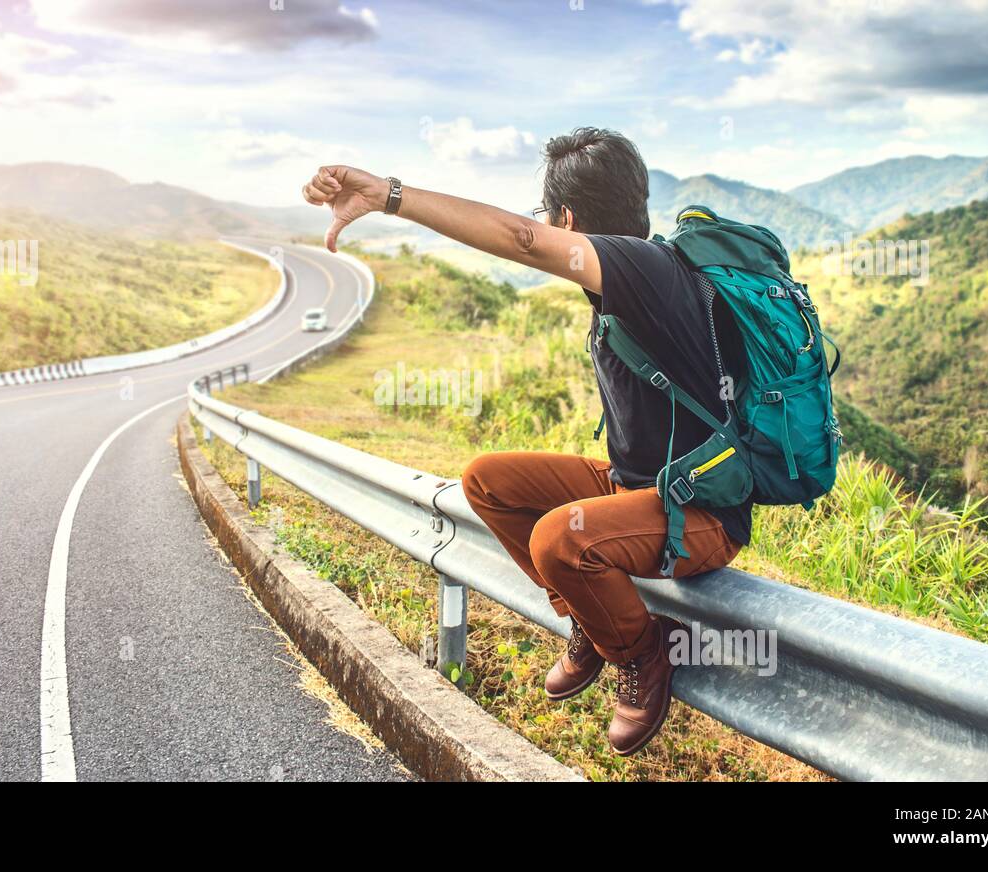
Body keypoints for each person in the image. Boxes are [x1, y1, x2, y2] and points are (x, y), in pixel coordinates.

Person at [301, 128, 751, 757]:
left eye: (546, 215)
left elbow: (520, 239)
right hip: (640, 491)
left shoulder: (642, 268)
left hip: (701, 514)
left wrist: (387, 195)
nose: (540, 224)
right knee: (488, 480)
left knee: (558, 537)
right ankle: (595, 623)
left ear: (565, 219)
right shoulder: (634, 274)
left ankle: (644, 652)